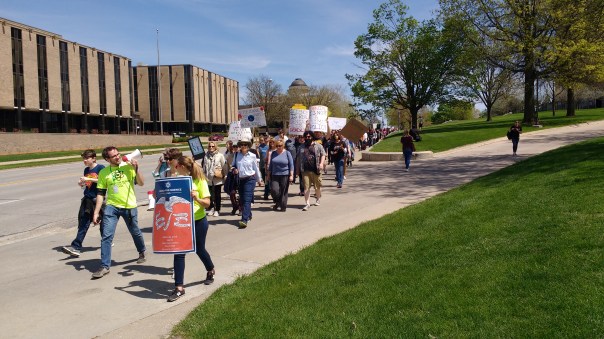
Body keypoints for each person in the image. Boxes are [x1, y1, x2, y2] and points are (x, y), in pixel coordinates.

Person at [91, 146, 146, 279]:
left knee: (135, 231)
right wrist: (96, 212)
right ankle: (105, 266)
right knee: (106, 236)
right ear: (107, 159)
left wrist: (136, 169)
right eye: (114, 156)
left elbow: (141, 183)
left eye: (118, 154)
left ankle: (142, 251)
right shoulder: (104, 172)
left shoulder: (128, 167)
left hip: (129, 206)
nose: (117, 156)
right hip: (112, 207)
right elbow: (100, 193)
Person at [167, 156, 215, 302]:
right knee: (179, 253)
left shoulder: (199, 181)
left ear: (182, 166)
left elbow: (207, 203)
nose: (175, 168)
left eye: (177, 166)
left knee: (200, 249)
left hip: (198, 221)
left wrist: (196, 198)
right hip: (181, 222)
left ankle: (210, 269)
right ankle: (179, 287)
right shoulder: (177, 181)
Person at [62, 149, 106, 257]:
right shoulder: (86, 170)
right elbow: (88, 184)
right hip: (87, 200)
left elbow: (103, 180)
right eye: (83, 158)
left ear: (94, 158)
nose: (85, 160)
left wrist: (87, 178)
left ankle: (106, 241)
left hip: (98, 200)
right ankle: (76, 246)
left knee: (103, 224)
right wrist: (82, 183)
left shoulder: (101, 168)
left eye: (87, 158)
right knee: (83, 222)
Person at [231, 138, 263, 228]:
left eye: (245, 145)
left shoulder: (252, 155)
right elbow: (233, 166)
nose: (243, 147)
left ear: (248, 146)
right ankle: (248, 214)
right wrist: (234, 169)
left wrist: (259, 180)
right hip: (240, 180)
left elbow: (256, 168)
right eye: (241, 145)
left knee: (247, 199)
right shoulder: (237, 154)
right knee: (243, 199)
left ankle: (244, 220)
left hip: (250, 179)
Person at [297, 131, 326, 211]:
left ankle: (318, 198)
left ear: (312, 137)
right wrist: (297, 170)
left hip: (316, 169)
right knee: (306, 187)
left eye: (309, 136)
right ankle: (307, 203)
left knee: (317, 187)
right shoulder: (301, 147)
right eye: (306, 137)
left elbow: (323, 154)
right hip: (305, 170)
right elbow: (298, 159)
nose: (307, 138)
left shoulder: (318, 145)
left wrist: (321, 163)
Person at [267, 140, 294, 212]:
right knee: (274, 190)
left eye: (280, 146)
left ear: (283, 146)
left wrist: (291, 175)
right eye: (277, 146)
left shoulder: (287, 153)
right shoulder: (273, 153)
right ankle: (278, 202)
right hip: (275, 174)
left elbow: (291, 165)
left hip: (285, 174)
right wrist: (268, 174)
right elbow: (271, 165)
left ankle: (283, 206)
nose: (278, 147)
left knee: (283, 191)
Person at [202, 141, 226, 217]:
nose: (211, 148)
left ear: (215, 147)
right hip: (208, 178)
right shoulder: (205, 156)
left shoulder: (220, 155)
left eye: (213, 146)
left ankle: (217, 209)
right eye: (210, 146)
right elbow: (203, 166)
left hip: (217, 178)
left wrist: (225, 176)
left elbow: (224, 166)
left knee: (217, 195)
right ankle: (212, 207)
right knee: (209, 194)